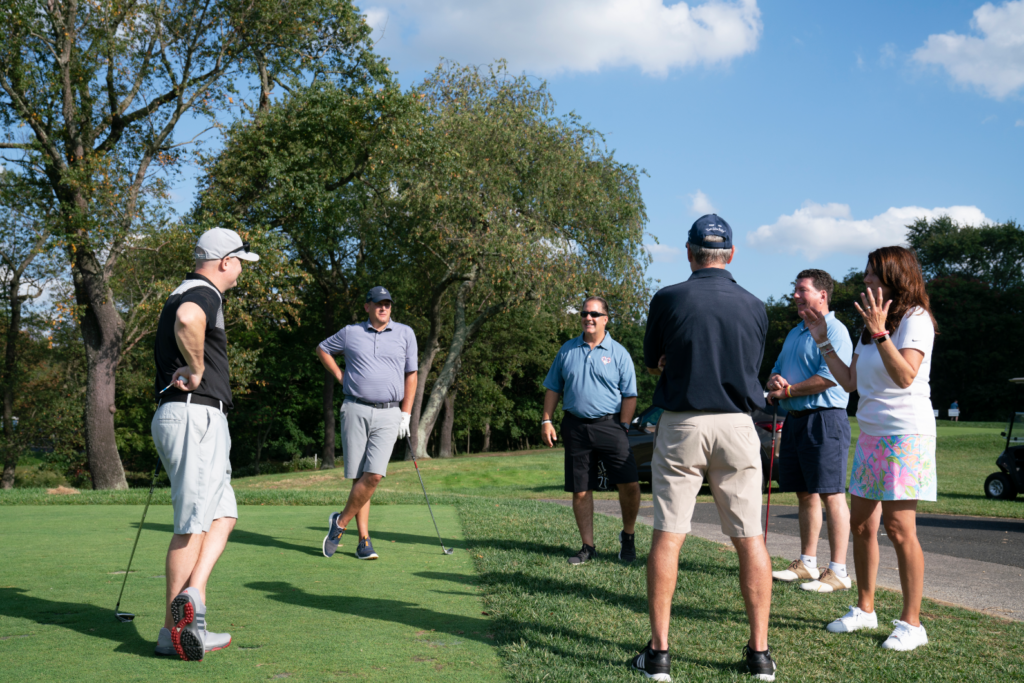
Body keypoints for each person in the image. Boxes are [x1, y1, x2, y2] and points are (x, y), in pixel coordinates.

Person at [633, 214, 776, 682]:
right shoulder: (756, 305)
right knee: (749, 537)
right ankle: (759, 655)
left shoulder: (669, 297)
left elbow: (655, 361)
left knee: (669, 533)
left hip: (683, 423)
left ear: (690, 252)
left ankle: (659, 654)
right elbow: (750, 366)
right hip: (738, 425)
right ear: (731, 254)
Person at [801, 246, 938, 652]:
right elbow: (850, 382)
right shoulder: (868, 325)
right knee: (862, 525)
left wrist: (880, 332)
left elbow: (904, 376)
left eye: (872, 276)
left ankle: (912, 624)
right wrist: (824, 340)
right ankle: (865, 609)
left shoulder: (915, 320)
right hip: (872, 435)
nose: (865, 282)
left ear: (894, 276)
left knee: (898, 529)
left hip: (905, 435)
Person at [151, 227, 259, 660]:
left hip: (197, 416)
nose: (239, 273)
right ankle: (172, 632)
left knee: (223, 514)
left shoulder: (187, 288)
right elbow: (188, 320)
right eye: (238, 264)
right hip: (195, 413)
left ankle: (191, 606)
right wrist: (195, 366)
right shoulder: (203, 291)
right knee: (192, 524)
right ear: (224, 261)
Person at [766, 270, 853, 593]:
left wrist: (786, 393)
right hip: (796, 421)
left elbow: (829, 377)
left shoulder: (835, 330)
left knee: (831, 493)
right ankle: (807, 563)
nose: (796, 296)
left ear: (822, 295)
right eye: (795, 290)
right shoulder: (794, 332)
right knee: (805, 492)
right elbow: (775, 371)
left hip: (825, 419)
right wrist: (775, 381)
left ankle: (839, 570)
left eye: (802, 290)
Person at [540, 296, 642, 565]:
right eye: (585, 313)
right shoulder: (567, 350)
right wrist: (546, 420)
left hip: (611, 425)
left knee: (630, 484)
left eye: (595, 314)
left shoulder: (619, 353)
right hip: (576, 426)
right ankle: (588, 546)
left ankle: (628, 537)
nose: (589, 318)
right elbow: (553, 388)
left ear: (605, 319)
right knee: (581, 490)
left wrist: (624, 426)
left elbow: (630, 395)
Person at [319, 286, 418, 561]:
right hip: (355, 408)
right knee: (358, 475)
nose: (383, 308)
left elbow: (412, 374)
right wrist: (341, 377)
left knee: (374, 475)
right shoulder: (351, 333)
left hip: (390, 412)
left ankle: (339, 524)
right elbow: (323, 348)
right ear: (367, 306)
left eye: (387, 303)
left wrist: (406, 414)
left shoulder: (405, 333)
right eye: (378, 303)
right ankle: (364, 541)